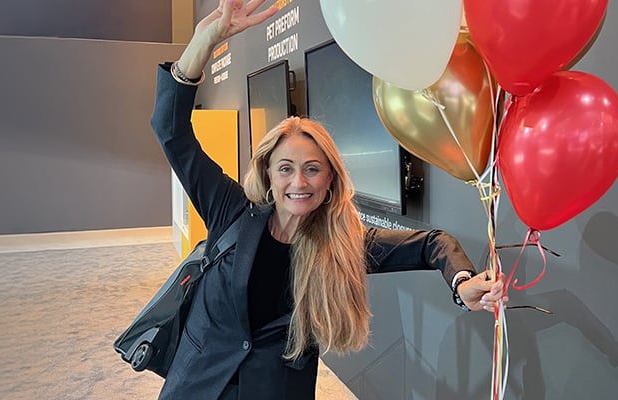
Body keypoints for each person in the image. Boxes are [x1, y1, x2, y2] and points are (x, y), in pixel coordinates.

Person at [149, 1, 508, 399]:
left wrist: (462, 282)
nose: (298, 182)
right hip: (198, 383)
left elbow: (431, 243)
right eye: (286, 168)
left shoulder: (343, 243)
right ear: (268, 173)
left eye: (312, 169)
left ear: (330, 179)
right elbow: (170, 130)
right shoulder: (231, 211)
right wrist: (204, 41)